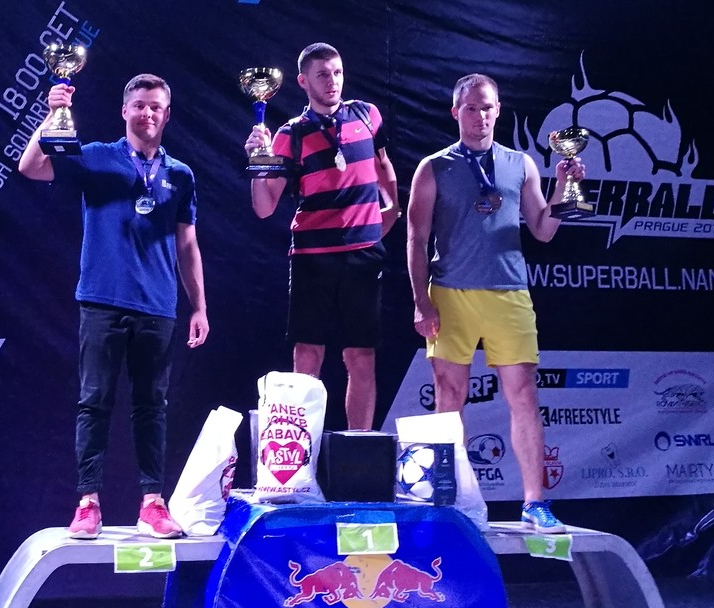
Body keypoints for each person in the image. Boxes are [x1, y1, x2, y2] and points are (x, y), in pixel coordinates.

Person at [19, 72, 209, 540]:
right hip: (102, 300)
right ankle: (87, 503)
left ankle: (152, 504)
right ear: (125, 110)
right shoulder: (96, 157)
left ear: (167, 114)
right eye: (139, 105)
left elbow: (187, 245)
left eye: (156, 106)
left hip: (158, 304)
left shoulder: (181, 175)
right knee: (94, 403)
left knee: (152, 407)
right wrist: (51, 114)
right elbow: (31, 166)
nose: (147, 113)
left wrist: (199, 306)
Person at [403, 73, 585, 533]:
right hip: (451, 293)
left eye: (487, 108)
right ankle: (449, 500)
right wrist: (422, 302)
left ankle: (534, 502)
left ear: (498, 110)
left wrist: (564, 188)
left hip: (509, 292)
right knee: (449, 397)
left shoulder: (521, 163)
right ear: (456, 112)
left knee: (523, 395)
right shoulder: (433, 167)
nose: (480, 117)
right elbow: (416, 238)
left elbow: (543, 229)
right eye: (471, 108)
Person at [245, 42, 397, 431]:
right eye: (323, 75)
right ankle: (300, 453)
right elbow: (264, 207)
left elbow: (383, 165)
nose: (332, 81)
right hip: (312, 257)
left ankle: (359, 447)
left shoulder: (367, 115)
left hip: (363, 257)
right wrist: (257, 163)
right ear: (303, 82)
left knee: (361, 357)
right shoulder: (289, 134)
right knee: (308, 354)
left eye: (337, 72)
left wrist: (392, 209)